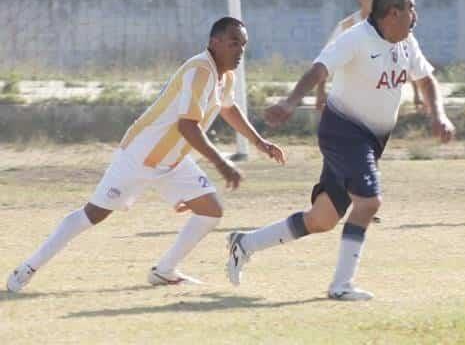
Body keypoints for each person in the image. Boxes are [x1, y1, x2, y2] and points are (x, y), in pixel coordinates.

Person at [6, 17, 286, 293]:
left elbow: (228, 108)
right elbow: (187, 126)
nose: (240, 51)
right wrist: (222, 164)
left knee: (211, 210)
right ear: (215, 42)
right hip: (139, 155)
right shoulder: (200, 69)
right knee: (93, 215)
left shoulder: (225, 76)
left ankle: (164, 271)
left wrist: (260, 143)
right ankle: (28, 267)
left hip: (172, 160)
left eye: (244, 45)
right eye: (234, 43)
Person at [226, 0, 454, 300]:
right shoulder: (356, 38)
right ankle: (341, 285)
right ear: (392, 13)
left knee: (322, 219)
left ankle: (245, 243)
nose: (416, 14)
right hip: (344, 132)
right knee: (369, 203)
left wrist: (437, 115)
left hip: (372, 141)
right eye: (411, 8)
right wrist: (291, 102)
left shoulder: (406, 41)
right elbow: (319, 70)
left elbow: (426, 79)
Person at [315, 0, 423, 110]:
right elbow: (325, 61)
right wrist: (320, 92)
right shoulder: (347, 27)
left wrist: (417, 95)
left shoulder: (397, 24)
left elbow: (410, 61)